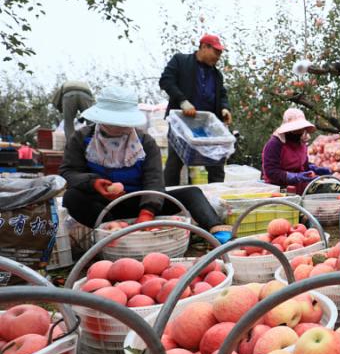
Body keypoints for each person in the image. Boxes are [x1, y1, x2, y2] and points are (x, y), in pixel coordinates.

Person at [59, 86, 232, 244]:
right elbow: (68, 172)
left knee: (192, 193)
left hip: (142, 202)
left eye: (122, 122)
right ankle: (113, 230)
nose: (118, 127)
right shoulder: (81, 139)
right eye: (112, 122)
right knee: (71, 197)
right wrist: (93, 182)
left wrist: (148, 211)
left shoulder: (145, 142)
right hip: (103, 208)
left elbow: (154, 180)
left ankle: (219, 234)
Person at [159, 34, 232, 186]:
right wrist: (182, 101)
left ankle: (215, 197)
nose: (218, 57)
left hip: (207, 127)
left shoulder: (217, 75)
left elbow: (222, 94)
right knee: (174, 163)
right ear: (204, 47)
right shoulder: (181, 61)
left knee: (217, 164)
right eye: (216, 52)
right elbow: (166, 80)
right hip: (182, 123)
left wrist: (225, 108)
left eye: (220, 53)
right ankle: (168, 197)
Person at [261, 108, 332, 193]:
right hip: (278, 190)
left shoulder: (301, 143)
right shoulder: (275, 144)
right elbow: (271, 171)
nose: (299, 132)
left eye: (301, 129)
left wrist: (314, 169)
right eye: (296, 129)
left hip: (299, 189)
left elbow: (304, 165)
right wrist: (294, 177)